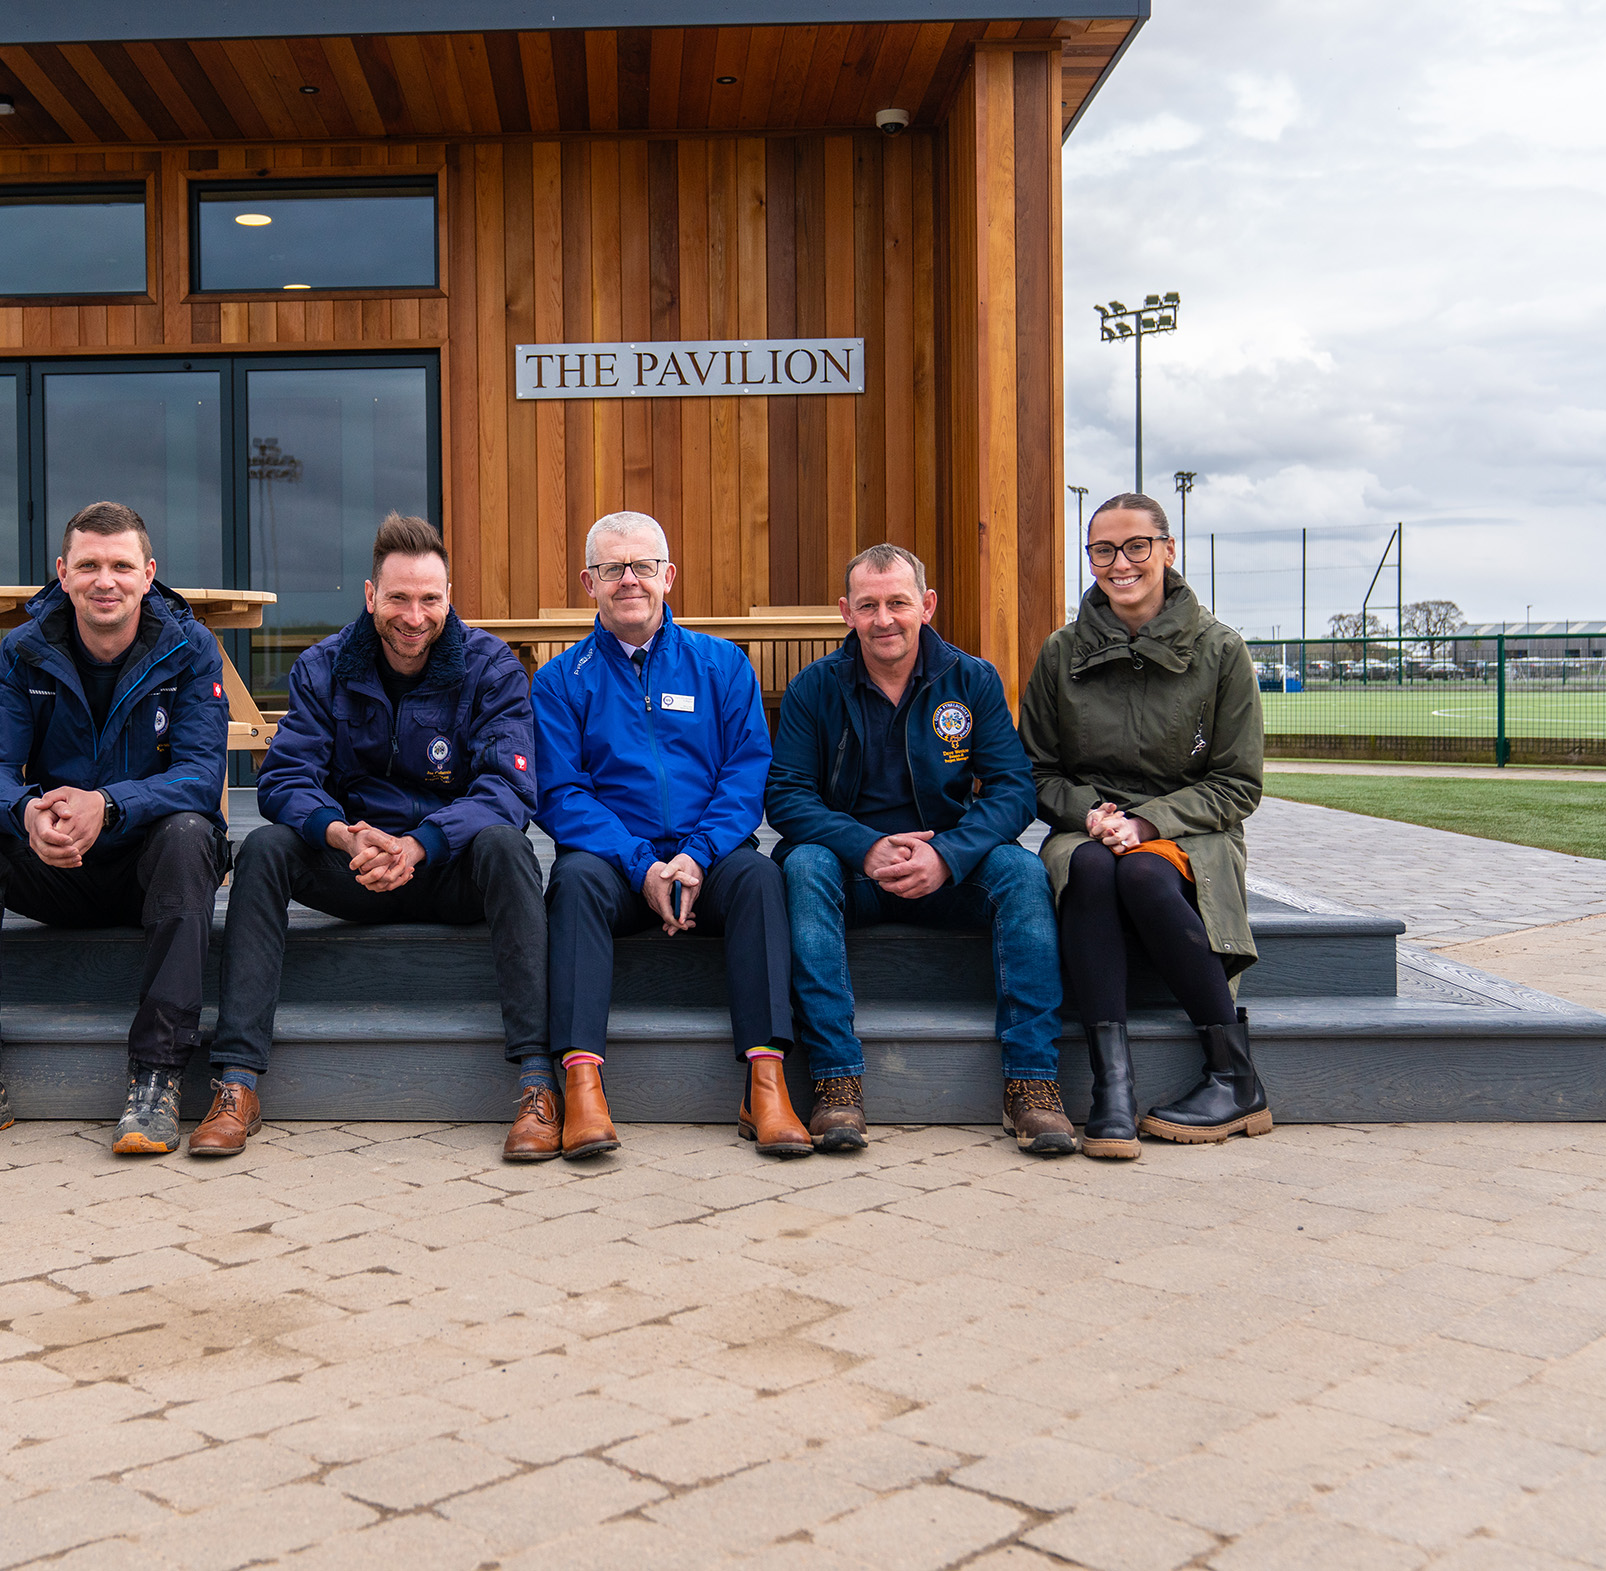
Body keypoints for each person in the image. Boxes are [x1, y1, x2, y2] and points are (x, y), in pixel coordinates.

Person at [204, 514, 552, 1160]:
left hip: (450, 867)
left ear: (449, 597)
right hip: (355, 864)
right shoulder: (324, 665)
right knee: (264, 850)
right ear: (371, 596)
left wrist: (423, 841)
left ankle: (537, 1081)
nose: (414, 616)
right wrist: (339, 833)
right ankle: (237, 1083)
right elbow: (283, 778)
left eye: (430, 598)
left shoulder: (490, 667)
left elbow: (510, 789)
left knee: (510, 847)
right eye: (398, 597)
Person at [0, 500, 231, 1157]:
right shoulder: (26, 648)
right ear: (63, 572)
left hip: (147, 866)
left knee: (192, 832)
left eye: (121, 565)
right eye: (89, 565)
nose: (106, 579)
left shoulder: (191, 648)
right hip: (56, 860)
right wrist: (26, 812)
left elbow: (199, 776)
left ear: (148, 572)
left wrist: (107, 805)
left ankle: (158, 1075)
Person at [767, 544, 1073, 1155]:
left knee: (1020, 870)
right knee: (802, 865)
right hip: (852, 872)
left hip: (951, 869)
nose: (885, 619)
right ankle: (836, 1082)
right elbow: (787, 796)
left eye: (899, 603)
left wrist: (950, 855)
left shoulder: (972, 679)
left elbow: (1014, 791)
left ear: (926, 606)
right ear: (846, 612)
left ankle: (1033, 1084)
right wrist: (865, 846)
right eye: (869, 605)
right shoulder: (813, 688)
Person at [534, 510, 812, 1160]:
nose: (630, 579)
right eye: (613, 568)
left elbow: (746, 772)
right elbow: (561, 792)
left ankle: (765, 1082)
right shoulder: (560, 681)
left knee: (761, 876)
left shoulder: (722, 665)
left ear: (669, 576)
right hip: (613, 866)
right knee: (570, 882)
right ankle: (581, 1083)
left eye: (644, 566)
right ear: (589, 581)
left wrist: (694, 854)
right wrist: (642, 866)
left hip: (707, 859)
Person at [1019, 491, 1270, 1159]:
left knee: (1145, 874)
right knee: (1094, 867)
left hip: (1189, 826)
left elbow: (1238, 784)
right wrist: (1089, 812)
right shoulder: (1060, 653)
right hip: (1090, 827)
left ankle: (1235, 1072)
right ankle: (1113, 1089)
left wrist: (1150, 818)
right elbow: (1036, 771)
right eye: (1104, 548)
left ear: (1167, 550)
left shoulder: (1221, 651)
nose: (1120, 562)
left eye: (1136, 545)